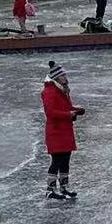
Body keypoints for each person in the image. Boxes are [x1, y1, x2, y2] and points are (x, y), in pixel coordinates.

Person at [42, 62, 85, 200]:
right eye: (62, 75)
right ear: (56, 77)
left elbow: (66, 107)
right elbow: (51, 112)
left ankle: (64, 187)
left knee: (65, 160)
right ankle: (50, 189)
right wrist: (69, 114)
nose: (65, 77)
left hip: (64, 130)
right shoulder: (49, 92)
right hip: (56, 131)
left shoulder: (63, 90)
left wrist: (76, 110)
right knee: (57, 160)